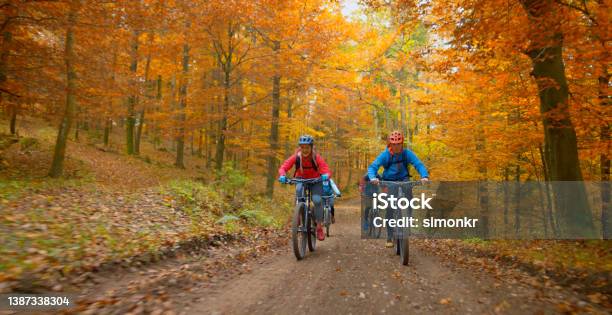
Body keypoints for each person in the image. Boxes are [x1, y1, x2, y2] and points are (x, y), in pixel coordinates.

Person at [367, 130, 429, 248]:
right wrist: (373, 177)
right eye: (394, 144)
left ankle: (406, 223)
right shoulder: (385, 155)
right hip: (389, 182)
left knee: (410, 201)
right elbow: (373, 167)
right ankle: (390, 236)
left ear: (402, 144)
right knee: (390, 208)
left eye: (398, 144)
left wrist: (424, 176)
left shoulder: (407, 154)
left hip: (404, 180)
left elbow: (418, 164)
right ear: (390, 144)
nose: (396, 146)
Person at [279, 135, 331, 241]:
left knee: (317, 200)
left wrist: (326, 175)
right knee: (299, 192)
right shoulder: (297, 157)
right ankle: (297, 216)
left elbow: (326, 169)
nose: (305, 150)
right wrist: (282, 175)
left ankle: (319, 227)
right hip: (301, 179)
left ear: (311, 148)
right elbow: (284, 166)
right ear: (300, 148)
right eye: (302, 147)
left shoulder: (316, 157)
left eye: (307, 147)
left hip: (315, 180)